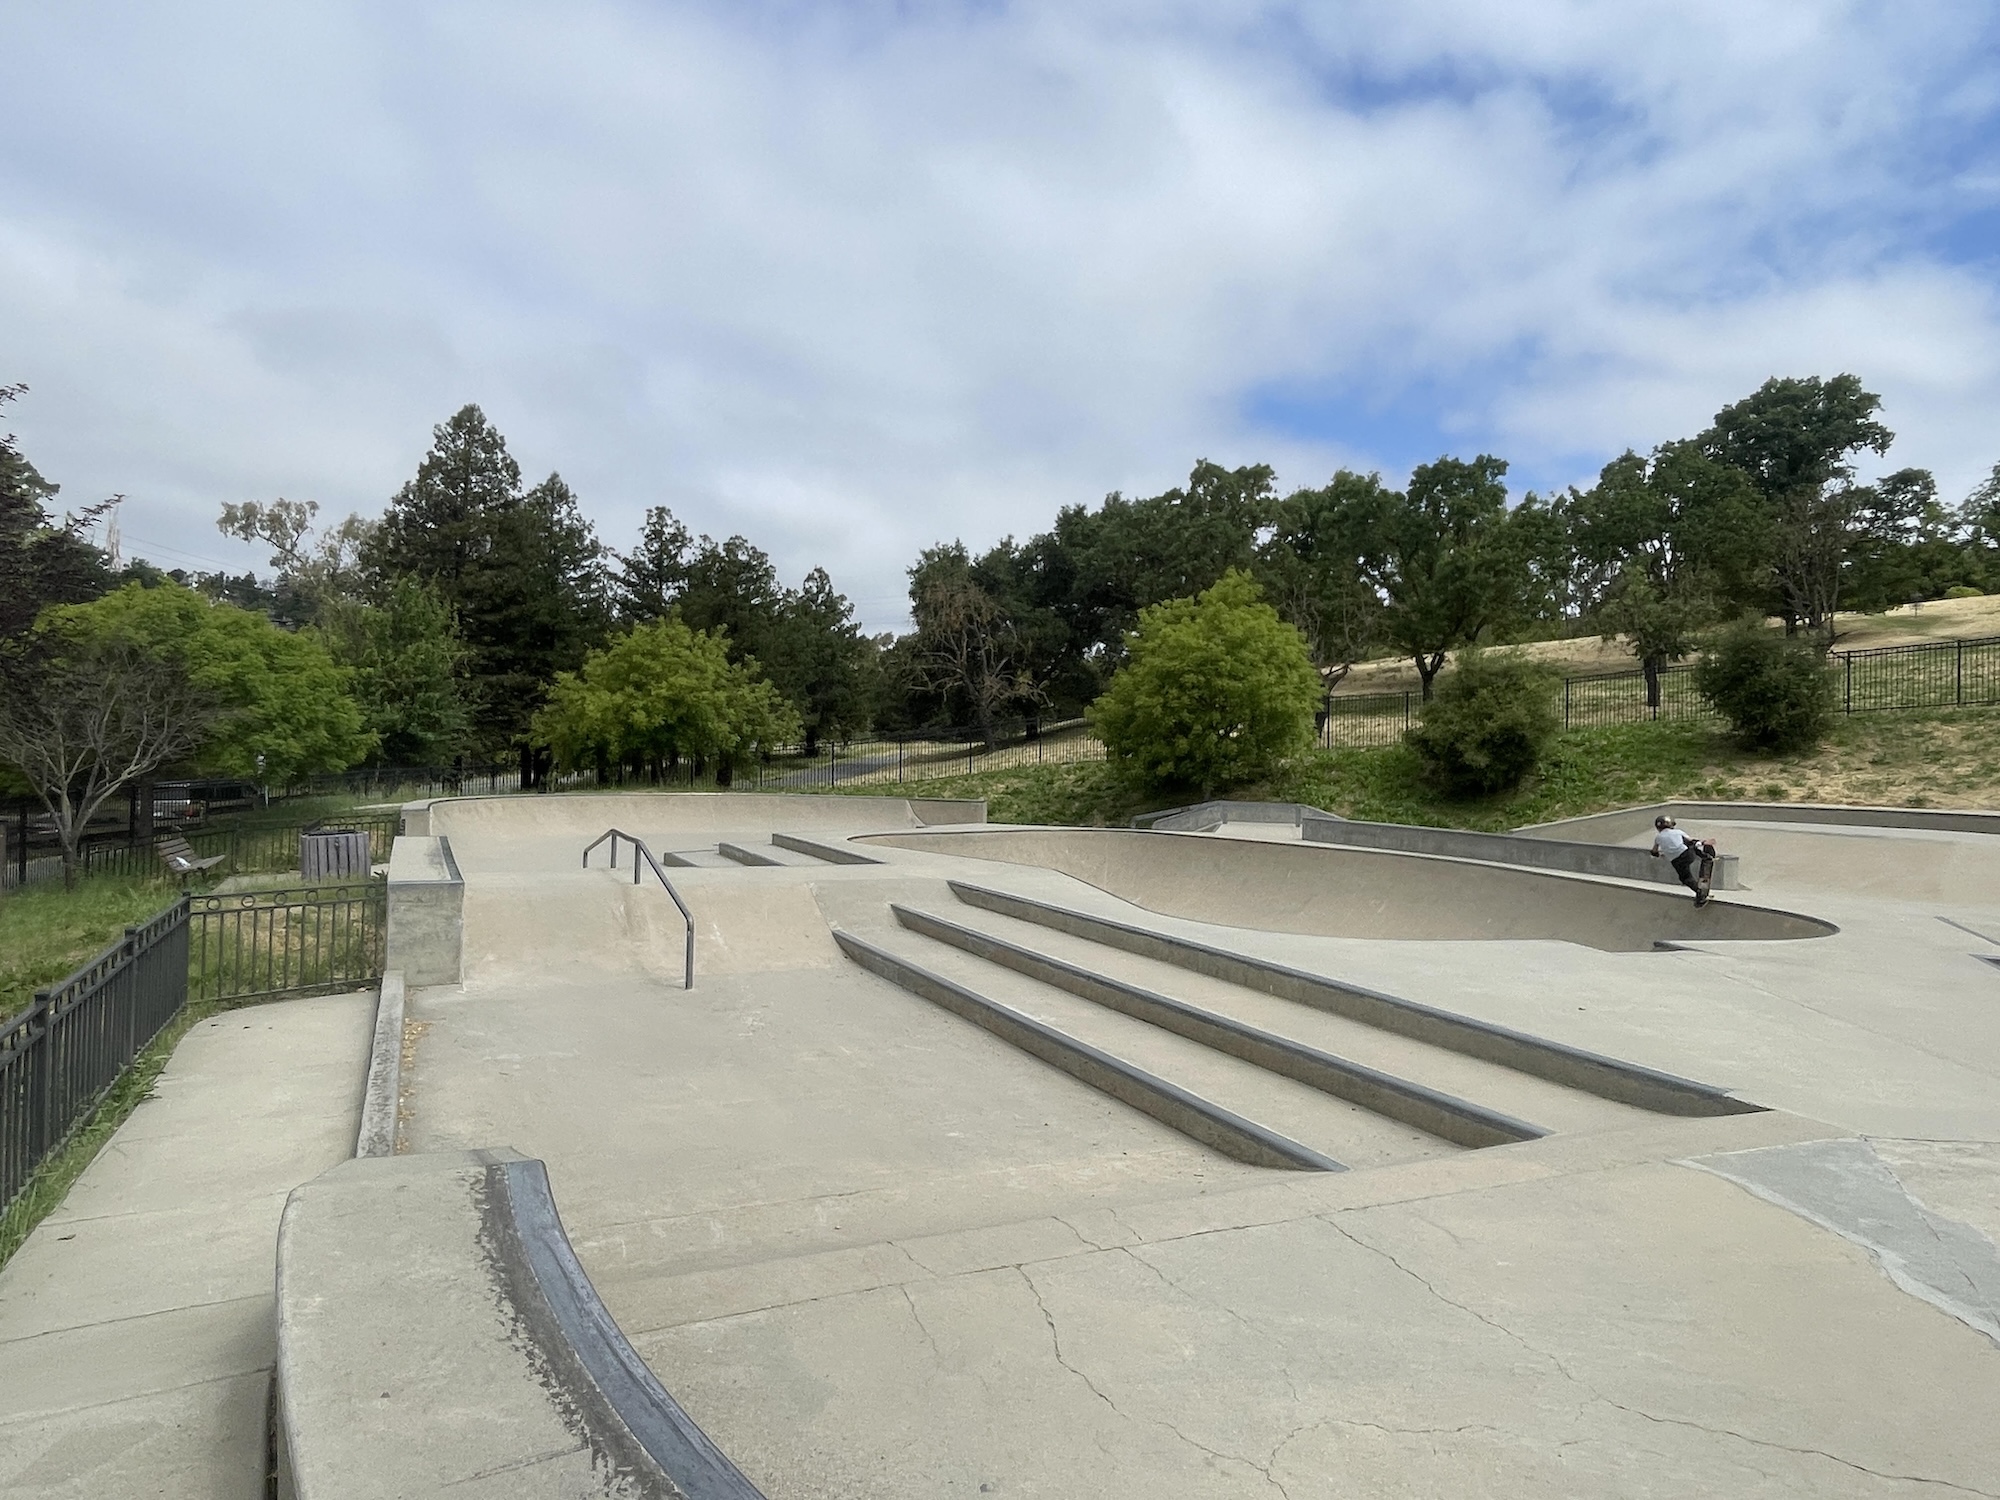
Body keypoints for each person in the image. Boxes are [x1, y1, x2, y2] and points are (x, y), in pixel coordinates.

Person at [1650, 814, 1717, 906]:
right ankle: (1706, 857)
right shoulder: (1677, 832)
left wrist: (1658, 854)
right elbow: (1690, 840)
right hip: (1687, 854)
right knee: (1689, 843)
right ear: (1670, 825)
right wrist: (1702, 842)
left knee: (1685, 878)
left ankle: (1700, 893)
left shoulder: (1658, 838)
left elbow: (1654, 851)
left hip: (1676, 861)